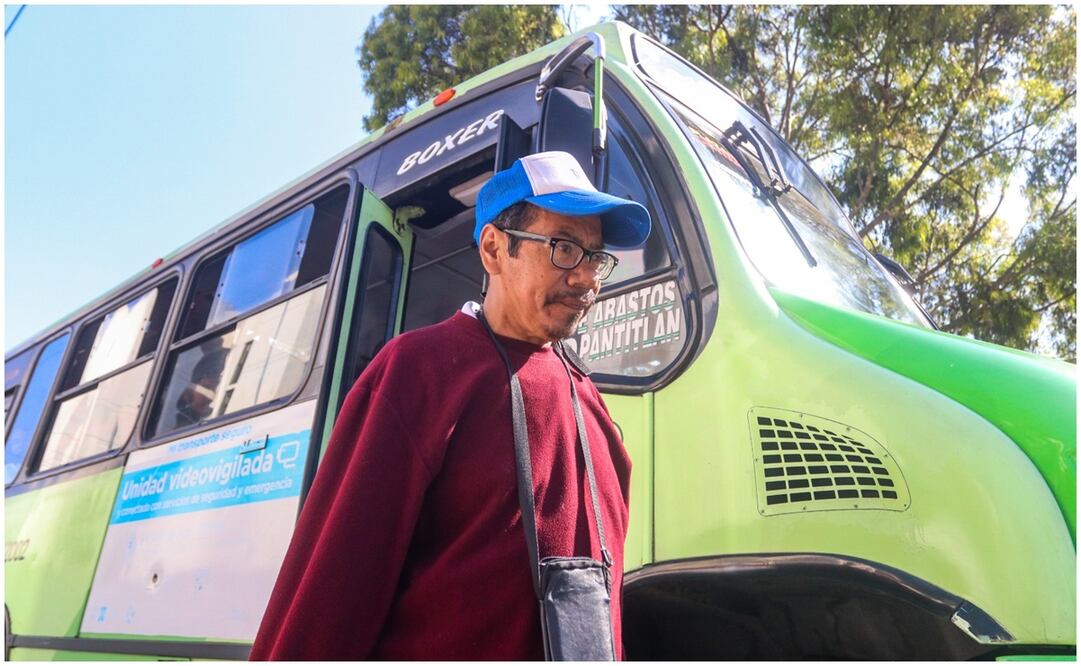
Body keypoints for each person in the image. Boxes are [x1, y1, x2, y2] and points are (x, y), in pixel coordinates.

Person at [249, 151, 651, 660]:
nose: (587, 277)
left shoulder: (590, 401)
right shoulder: (418, 371)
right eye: (565, 248)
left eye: (596, 257)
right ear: (493, 250)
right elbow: (332, 589)